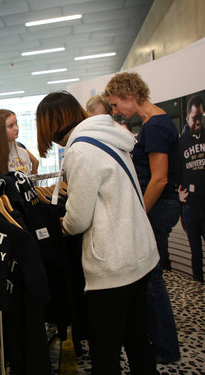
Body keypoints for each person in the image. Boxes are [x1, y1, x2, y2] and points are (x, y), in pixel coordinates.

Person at [36, 91, 159, 375]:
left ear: (50, 125)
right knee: (137, 337)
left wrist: (61, 226)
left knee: (105, 351)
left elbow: (78, 219)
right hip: (139, 251)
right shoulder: (110, 135)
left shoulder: (79, 150)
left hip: (112, 264)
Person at [104, 72, 181, 364]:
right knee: (151, 278)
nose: (114, 111)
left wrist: (139, 213)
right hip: (161, 207)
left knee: (152, 279)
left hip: (159, 208)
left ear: (129, 96)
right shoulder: (153, 124)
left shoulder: (157, 125)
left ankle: (164, 348)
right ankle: (161, 343)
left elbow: (159, 180)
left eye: (115, 104)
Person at [178, 95, 205, 283]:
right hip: (190, 206)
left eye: (201, 117)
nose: (198, 121)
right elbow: (175, 172)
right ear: (188, 116)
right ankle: (198, 286)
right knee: (196, 252)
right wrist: (177, 193)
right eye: (195, 117)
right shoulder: (181, 142)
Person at [0, 109, 34, 178]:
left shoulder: (23, 152)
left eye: (16, 123)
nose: (16, 128)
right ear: (0, 130)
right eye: (11, 126)